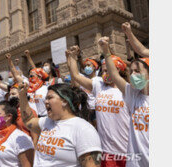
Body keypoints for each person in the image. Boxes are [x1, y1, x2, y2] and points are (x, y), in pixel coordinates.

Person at [66, 44, 130, 167]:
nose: (105, 73)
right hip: (106, 151)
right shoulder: (98, 84)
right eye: (103, 71)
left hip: (127, 150)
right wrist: (73, 57)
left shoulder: (127, 89)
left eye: (108, 70)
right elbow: (76, 75)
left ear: (119, 71)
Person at [18, 82, 102, 166]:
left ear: (65, 101)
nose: (45, 101)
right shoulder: (46, 122)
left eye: (50, 98)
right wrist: (22, 95)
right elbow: (28, 121)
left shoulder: (84, 129)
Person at [100, 36, 149, 167]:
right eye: (131, 71)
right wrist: (106, 50)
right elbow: (115, 75)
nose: (133, 75)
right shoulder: (133, 96)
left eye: (137, 71)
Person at [0, 74, 39, 146]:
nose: (11, 96)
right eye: (10, 94)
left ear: (22, 94)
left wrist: (34, 154)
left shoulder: (30, 112)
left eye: (13, 94)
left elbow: (35, 137)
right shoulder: (8, 108)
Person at [6, 53, 49, 117]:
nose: (30, 78)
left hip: (45, 117)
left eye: (32, 76)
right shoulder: (27, 85)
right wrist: (9, 60)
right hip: (30, 118)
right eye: (29, 76)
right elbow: (16, 74)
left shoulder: (47, 88)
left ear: (39, 77)